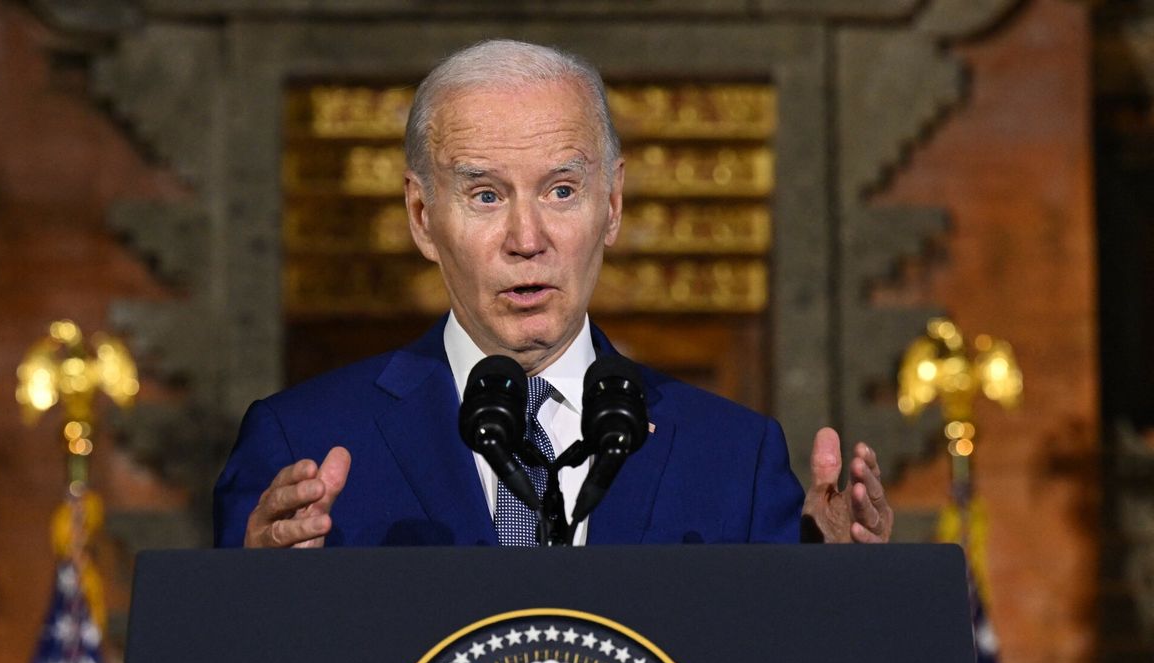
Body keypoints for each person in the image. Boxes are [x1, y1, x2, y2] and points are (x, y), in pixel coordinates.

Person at [213, 39, 893, 549]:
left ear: (614, 204)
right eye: (485, 194)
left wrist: (834, 592)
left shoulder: (733, 460)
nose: (526, 237)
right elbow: (218, 646)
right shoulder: (301, 444)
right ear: (422, 217)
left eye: (561, 190)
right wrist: (252, 602)